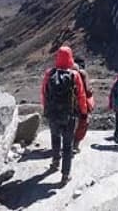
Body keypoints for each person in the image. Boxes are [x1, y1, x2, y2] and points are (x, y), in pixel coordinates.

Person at [41, 46, 87, 186]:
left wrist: (46, 109)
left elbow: (44, 93)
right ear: (70, 57)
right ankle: (65, 175)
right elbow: (81, 95)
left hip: (53, 114)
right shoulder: (74, 75)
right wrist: (83, 111)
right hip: (69, 115)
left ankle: (55, 162)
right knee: (67, 145)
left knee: (55, 138)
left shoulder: (49, 73)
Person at [73, 57, 94, 153]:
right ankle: (75, 144)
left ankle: (66, 143)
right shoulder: (83, 73)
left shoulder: (67, 72)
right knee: (83, 123)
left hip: (68, 103)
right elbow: (87, 91)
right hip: (81, 103)